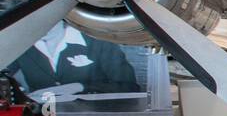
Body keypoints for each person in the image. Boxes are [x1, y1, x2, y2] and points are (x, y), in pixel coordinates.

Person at [8, 21, 140, 95]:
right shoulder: (22, 47)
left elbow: (129, 87)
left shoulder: (99, 42)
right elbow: (4, 74)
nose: (41, 27)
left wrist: (80, 87)